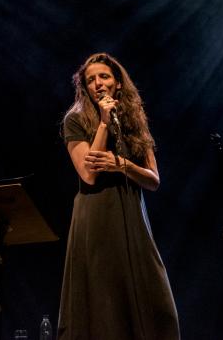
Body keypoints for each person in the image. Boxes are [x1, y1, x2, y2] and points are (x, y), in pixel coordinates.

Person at [57, 52, 180, 340]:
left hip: (133, 216)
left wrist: (122, 165)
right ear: (85, 88)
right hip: (96, 217)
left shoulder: (135, 121)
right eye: (90, 80)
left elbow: (154, 180)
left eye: (104, 77)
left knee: (160, 308)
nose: (98, 83)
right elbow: (88, 174)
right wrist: (102, 122)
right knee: (105, 305)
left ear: (118, 83)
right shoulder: (74, 120)